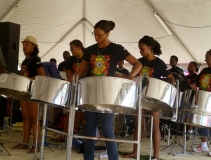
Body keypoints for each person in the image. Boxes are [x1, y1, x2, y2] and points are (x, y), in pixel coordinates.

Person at [71, 20, 142, 160]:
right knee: (90, 129)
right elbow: (79, 72)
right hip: (91, 94)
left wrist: (129, 77)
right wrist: (71, 81)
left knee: (107, 129)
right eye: (95, 34)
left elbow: (137, 64)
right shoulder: (90, 50)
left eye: (99, 35)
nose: (96, 38)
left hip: (109, 96)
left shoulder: (116, 49)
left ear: (107, 34)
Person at [123, 35, 175, 160]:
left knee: (155, 125)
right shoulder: (139, 62)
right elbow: (134, 78)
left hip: (154, 98)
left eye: (142, 48)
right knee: (138, 124)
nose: (140, 51)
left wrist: (168, 91)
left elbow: (171, 78)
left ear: (150, 48)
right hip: (140, 96)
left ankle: (156, 156)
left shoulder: (159, 63)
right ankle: (135, 153)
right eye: (139, 49)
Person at [12, 36, 45, 154]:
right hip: (24, 92)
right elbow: (22, 74)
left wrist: (29, 79)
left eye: (27, 45)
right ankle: (25, 143)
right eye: (23, 45)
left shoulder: (36, 59)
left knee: (34, 118)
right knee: (25, 117)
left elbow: (42, 75)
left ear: (33, 47)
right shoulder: (25, 61)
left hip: (34, 92)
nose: (24, 47)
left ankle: (36, 145)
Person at [185, 61, 199, 138]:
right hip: (186, 96)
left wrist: (196, 99)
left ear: (195, 68)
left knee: (191, 114)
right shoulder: (186, 77)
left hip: (193, 96)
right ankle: (186, 130)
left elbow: (196, 88)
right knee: (186, 113)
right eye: (188, 66)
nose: (189, 67)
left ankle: (190, 130)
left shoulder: (196, 77)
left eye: (191, 66)